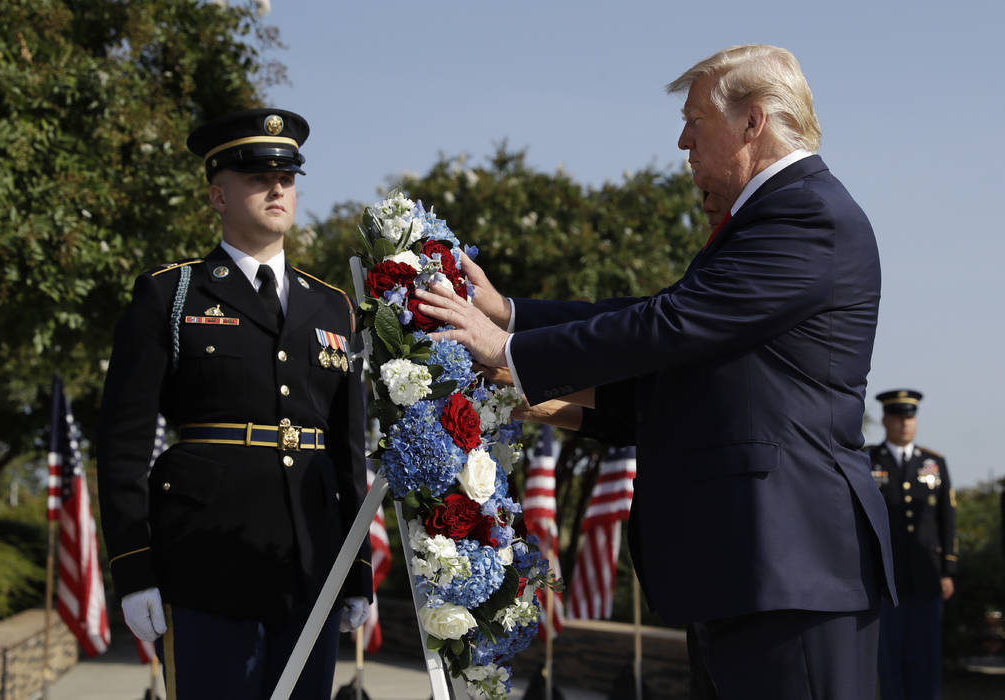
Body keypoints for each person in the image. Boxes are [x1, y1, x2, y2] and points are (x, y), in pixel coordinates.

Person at [416, 45, 896, 699]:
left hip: (791, 563)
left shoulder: (806, 215)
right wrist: (511, 315)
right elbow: (678, 347)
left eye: (696, 122)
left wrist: (507, 349)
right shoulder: (769, 219)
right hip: (751, 563)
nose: (682, 142)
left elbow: (672, 325)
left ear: (753, 122)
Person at [96, 108, 372, 700]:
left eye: (288, 176)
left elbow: (350, 455)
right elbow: (122, 444)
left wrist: (359, 570)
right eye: (256, 176)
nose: (277, 188)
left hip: (311, 566)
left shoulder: (332, 308)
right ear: (218, 196)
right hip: (205, 563)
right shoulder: (170, 294)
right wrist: (133, 567)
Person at [868, 389, 956, 700]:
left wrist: (947, 569)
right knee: (890, 657)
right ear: (885, 420)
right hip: (886, 579)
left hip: (927, 576)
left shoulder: (934, 463)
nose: (905, 423)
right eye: (898, 417)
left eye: (910, 417)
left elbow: (947, 519)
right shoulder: (868, 461)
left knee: (926, 655)